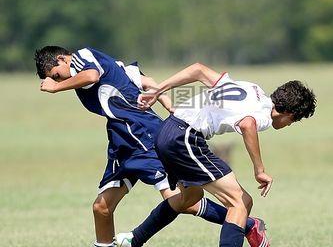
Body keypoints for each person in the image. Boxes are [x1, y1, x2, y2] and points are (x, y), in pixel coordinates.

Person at [35, 47, 269, 247]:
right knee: (102, 208)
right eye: (55, 80)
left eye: (56, 75)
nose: (58, 81)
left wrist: (56, 88)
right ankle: (244, 220)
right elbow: (143, 79)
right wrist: (168, 104)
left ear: (62, 59)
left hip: (144, 135)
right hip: (121, 141)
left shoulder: (83, 57)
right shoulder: (105, 64)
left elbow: (92, 76)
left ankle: (247, 224)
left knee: (184, 200)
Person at [115, 62, 316, 247]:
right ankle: (249, 226)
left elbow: (198, 70)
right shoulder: (263, 114)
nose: (289, 125)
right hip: (184, 137)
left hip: (166, 130)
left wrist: (160, 89)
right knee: (241, 202)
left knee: (190, 198)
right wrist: (259, 170)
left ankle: (134, 239)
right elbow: (248, 124)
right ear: (290, 114)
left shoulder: (251, 88)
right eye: (293, 121)